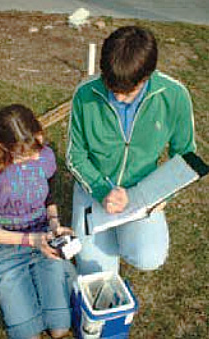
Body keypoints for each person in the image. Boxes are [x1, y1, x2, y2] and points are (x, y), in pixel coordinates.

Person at [66, 26, 196, 275]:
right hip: (93, 189)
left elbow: (185, 157)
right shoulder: (84, 94)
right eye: (112, 90)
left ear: (147, 77)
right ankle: (104, 232)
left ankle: (122, 231)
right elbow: (76, 155)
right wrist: (102, 190)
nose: (118, 98)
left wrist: (161, 198)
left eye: (127, 93)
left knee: (149, 257)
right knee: (94, 270)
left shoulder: (175, 96)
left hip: (142, 193)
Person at [0, 104, 76, 339]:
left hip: (43, 238)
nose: (36, 156)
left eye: (37, 147)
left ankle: (59, 271)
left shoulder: (46, 156)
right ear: (3, 147)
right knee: (27, 335)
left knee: (59, 330)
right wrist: (31, 240)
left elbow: (49, 197)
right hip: (6, 246)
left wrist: (54, 225)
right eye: (26, 154)